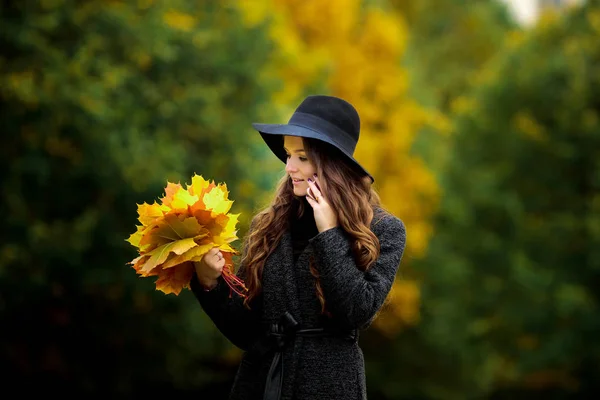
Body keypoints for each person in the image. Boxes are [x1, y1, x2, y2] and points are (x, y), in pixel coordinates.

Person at [191, 95, 407, 400]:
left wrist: (329, 232)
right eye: (288, 154)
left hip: (329, 387)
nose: (289, 166)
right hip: (260, 383)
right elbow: (244, 331)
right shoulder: (270, 224)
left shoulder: (383, 230)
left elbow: (356, 311)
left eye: (302, 157)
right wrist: (209, 282)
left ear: (332, 163)